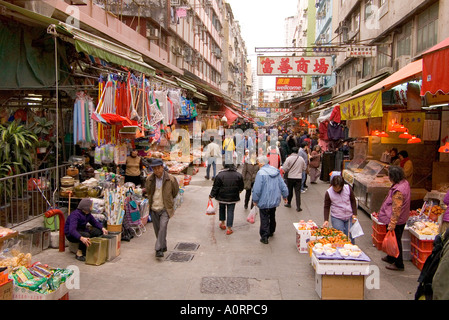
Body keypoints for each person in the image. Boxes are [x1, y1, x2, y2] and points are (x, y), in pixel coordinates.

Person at [378, 165, 411, 271]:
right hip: (401, 218)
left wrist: (392, 223)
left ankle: (399, 263)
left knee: (396, 241)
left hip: (397, 220)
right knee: (394, 239)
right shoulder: (404, 183)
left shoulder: (399, 190)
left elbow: (396, 209)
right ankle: (390, 257)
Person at [145, 158, 180, 257]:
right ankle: (163, 246)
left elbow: (175, 191)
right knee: (158, 229)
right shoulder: (149, 179)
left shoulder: (171, 179)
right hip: (154, 207)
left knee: (163, 227)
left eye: (158, 168)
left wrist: (168, 200)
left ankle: (158, 248)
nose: (156, 171)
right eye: (154, 169)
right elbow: (149, 192)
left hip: (165, 208)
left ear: (162, 167)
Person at [252, 155, 289, 244]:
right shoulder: (275, 171)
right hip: (274, 198)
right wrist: (285, 195)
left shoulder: (260, 173)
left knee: (264, 217)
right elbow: (282, 185)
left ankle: (264, 236)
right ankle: (271, 230)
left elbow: (257, 188)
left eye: (259, 162)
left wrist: (255, 199)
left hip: (263, 199)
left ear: (262, 163)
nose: (258, 164)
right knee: (272, 214)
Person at [209, 164, 244, 235]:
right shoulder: (238, 175)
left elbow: (215, 187)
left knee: (222, 209)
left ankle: (222, 223)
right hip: (233, 197)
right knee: (230, 211)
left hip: (221, 196)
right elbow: (241, 187)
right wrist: (239, 191)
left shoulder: (220, 175)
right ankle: (229, 229)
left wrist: (211, 195)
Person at [322, 175, 358, 243]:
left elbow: (353, 201)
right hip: (337, 217)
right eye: (335, 188)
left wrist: (354, 214)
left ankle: (351, 250)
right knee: (339, 236)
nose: (336, 190)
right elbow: (326, 206)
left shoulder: (348, 189)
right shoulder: (328, 193)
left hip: (349, 216)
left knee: (350, 236)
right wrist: (326, 220)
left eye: (338, 188)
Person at [281, 147, 306, 212]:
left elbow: (285, 168)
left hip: (290, 177)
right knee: (297, 192)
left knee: (290, 190)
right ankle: (298, 206)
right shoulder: (301, 159)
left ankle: (289, 203)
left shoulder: (288, 158)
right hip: (298, 177)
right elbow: (304, 168)